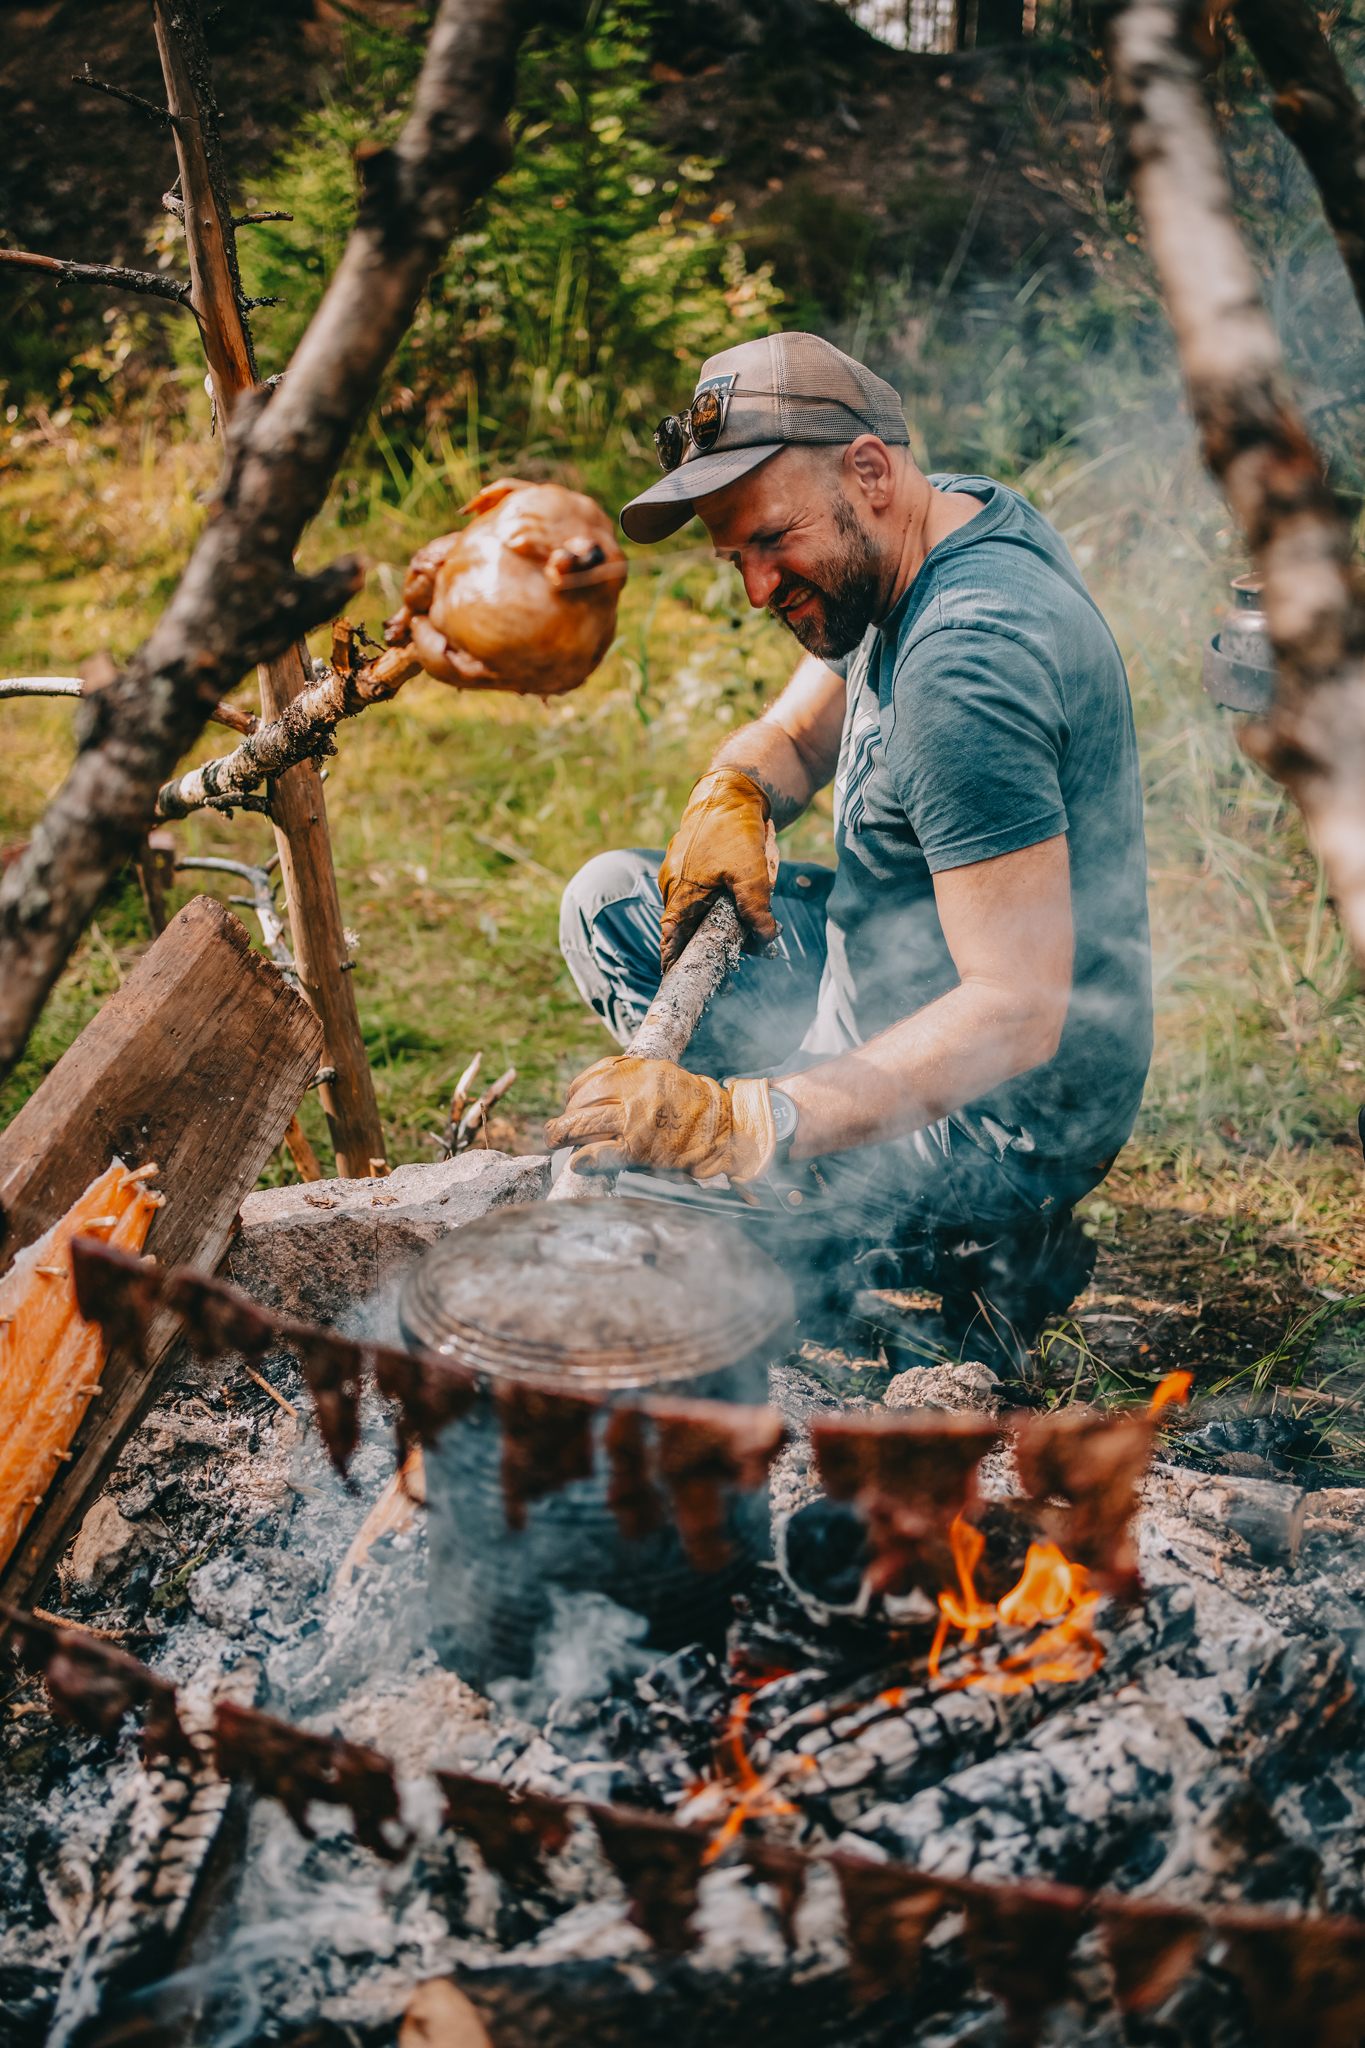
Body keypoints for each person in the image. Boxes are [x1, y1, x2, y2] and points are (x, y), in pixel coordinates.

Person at [546, 332, 1152, 1377]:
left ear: (869, 471)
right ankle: (815, 1161)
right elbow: (800, 733)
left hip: (1001, 1120)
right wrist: (734, 786)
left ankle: (993, 1248)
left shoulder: (967, 665)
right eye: (734, 554)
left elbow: (1017, 1007)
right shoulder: (933, 520)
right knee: (611, 903)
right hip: (904, 982)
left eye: (771, 541)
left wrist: (749, 1119)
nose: (754, 586)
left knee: (656, 1217)